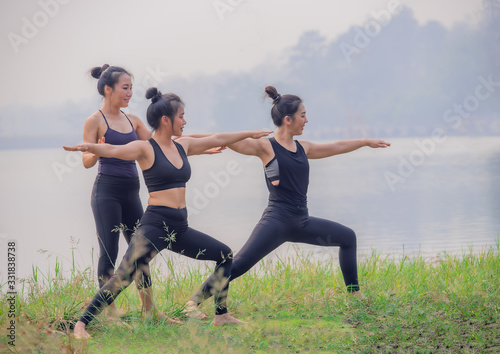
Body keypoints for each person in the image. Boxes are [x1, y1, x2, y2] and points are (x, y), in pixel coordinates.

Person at [64, 87, 273, 339]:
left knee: (224, 255)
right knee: (123, 276)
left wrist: (250, 132)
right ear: (166, 120)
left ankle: (221, 314)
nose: (185, 121)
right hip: (155, 225)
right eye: (181, 116)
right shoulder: (145, 149)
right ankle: (81, 324)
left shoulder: (182, 145)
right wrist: (89, 147)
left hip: (180, 227)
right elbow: (113, 151)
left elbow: (218, 138)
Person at [186, 85, 390, 312]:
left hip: (302, 222)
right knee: (240, 264)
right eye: (303, 115)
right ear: (288, 119)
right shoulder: (265, 147)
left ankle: (354, 294)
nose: (306, 120)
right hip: (276, 222)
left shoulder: (304, 148)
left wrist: (364, 141)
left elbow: (337, 146)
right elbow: (220, 138)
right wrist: (185, 139)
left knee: (348, 237)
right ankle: (193, 302)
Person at [83, 64, 157, 317]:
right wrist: (96, 149)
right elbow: (86, 162)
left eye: (131, 88)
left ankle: (150, 310)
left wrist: (196, 146)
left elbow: (158, 145)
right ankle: (110, 313)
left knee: (140, 249)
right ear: (108, 89)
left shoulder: (133, 120)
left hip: (131, 191)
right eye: (125, 88)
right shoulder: (94, 120)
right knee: (109, 252)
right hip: (107, 193)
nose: (129, 93)